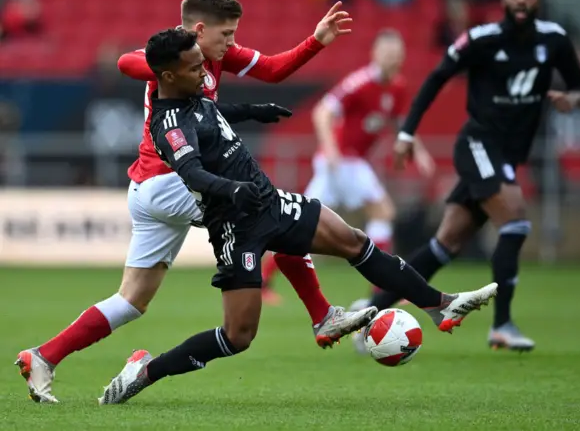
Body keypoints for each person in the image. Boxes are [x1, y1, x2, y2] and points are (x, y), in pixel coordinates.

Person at [98, 28, 497, 404]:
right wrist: (232, 189)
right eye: (193, 67)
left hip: (270, 203)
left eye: (202, 63)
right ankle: (146, 371)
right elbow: (192, 173)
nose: (204, 72)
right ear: (167, 75)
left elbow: (215, 114)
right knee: (238, 336)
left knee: (353, 241)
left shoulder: (191, 95)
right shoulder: (167, 124)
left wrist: (254, 110)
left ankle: (438, 305)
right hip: (236, 226)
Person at [15, 0, 369, 404]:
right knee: (269, 215)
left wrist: (316, 41)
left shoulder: (216, 55)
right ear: (199, 32)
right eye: (227, 35)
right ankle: (322, 315)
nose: (233, 44)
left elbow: (272, 70)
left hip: (147, 189)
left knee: (131, 301)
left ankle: (43, 356)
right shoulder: (173, 61)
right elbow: (126, 62)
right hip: (174, 180)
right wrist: (158, 67)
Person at [350, 0, 580, 353]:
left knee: (446, 243)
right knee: (515, 220)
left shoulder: (555, 40)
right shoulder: (482, 39)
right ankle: (503, 326)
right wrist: (407, 133)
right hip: (479, 143)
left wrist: (569, 99)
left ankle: (369, 313)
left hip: (508, 153)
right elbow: (436, 78)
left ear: (539, 0)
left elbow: (578, 85)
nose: (522, 1)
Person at [261, 29, 434, 299]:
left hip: (350, 163)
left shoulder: (397, 87)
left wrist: (418, 151)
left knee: (300, 225)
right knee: (382, 212)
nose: (392, 59)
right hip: (343, 161)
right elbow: (322, 112)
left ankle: (263, 280)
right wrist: (331, 150)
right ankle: (382, 288)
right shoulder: (360, 82)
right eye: (387, 54)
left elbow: (402, 124)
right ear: (375, 54)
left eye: (397, 55)